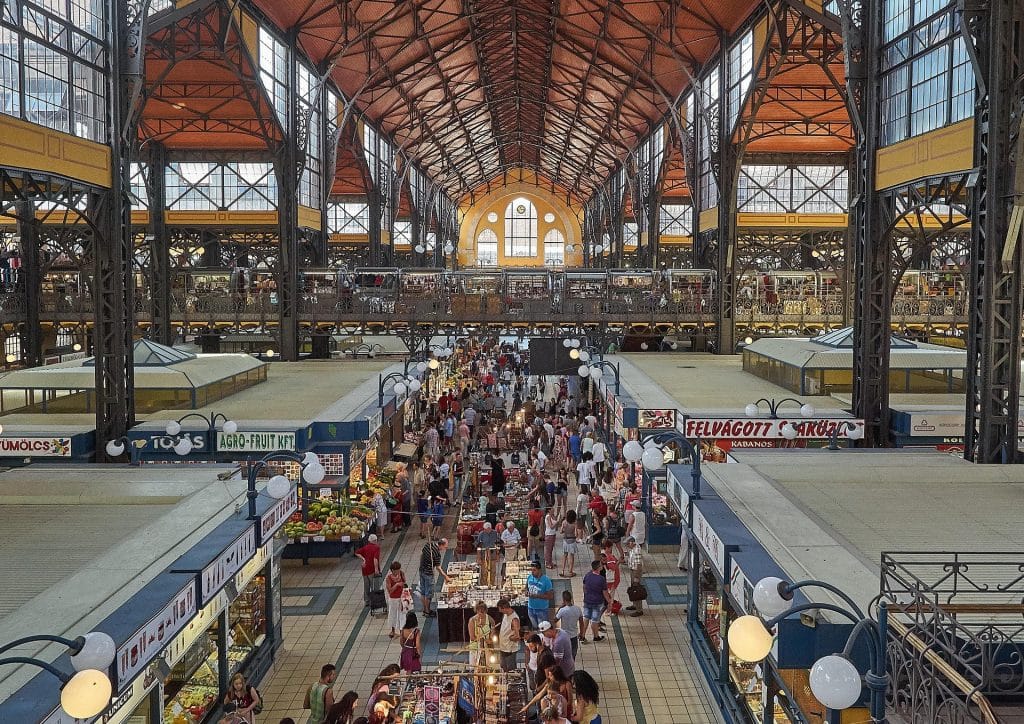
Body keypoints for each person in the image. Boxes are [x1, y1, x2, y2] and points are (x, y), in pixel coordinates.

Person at [418, 537, 449, 617]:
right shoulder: (437, 554)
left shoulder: (429, 545)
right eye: (445, 547)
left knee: (423, 592)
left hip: (421, 571)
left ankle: (425, 610)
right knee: (429, 594)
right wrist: (446, 577)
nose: (444, 549)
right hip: (428, 574)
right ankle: (428, 612)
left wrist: (422, 565)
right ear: (441, 545)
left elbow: (421, 554)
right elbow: (438, 568)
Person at [581, 560, 610, 643]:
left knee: (586, 618)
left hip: (587, 601)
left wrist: (587, 595)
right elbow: (605, 593)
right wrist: (609, 602)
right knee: (595, 620)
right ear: (598, 568)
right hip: (597, 602)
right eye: (601, 565)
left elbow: (584, 587)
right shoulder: (601, 579)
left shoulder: (587, 575)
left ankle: (582, 636)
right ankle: (596, 637)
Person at [555, 590, 583, 659]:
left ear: (563, 600)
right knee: (573, 653)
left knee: (564, 653)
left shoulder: (562, 610)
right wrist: (581, 633)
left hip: (564, 635)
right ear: (571, 599)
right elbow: (581, 623)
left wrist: (560, 608)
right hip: (574, 635)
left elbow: (555, 620)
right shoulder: (578, 609)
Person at [355, 534, 382, 607]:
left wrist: (363, 559)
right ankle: (375, 601)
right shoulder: (376, 548)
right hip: (372, 569)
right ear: (375, 540)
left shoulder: (365, 547)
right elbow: (375, 559)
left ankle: (367, 601)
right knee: (375, 586)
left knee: (366, 586)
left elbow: (357, 552)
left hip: (364, 569)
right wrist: (376, 569)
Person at [526, 560, 554, 629]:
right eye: (531, 570)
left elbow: (550, 596)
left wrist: (537, 596)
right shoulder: (529, 577)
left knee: (543, 629)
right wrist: (526, 592)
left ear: (539, 570)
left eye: (534, 570)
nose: (532, 572)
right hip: (531, 608)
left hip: (541, 610)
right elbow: (526, 587)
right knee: (535, 627)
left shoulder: (546, 580)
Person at [467, 600, 495, 667]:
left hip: (486, 646)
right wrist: (482, 640)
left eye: (482, 612)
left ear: (485, 611)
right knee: (474, 666)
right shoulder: (472, 620)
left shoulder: (490, 619)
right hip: (475, 647)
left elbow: (493, 631)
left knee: (488, 665)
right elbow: (472, 637)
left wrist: (490, 639)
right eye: (478, 612)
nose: (480, 614)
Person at [496, 598, 521, 672]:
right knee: (503, 666)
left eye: (500, 609)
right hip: (503, 647)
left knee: (510, 669)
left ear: (504, 608)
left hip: (509, 649)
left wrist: (510, 638)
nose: (499, 611)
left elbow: (517, 636)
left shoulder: (514, 619)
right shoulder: (505, 615)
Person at [384, 561, 405, 638]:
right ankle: (393, 630)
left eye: (399, 569)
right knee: (393, 614)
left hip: (401, 597)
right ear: (392, 570)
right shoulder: (388, 578)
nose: (398, 571)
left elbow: (404, 582)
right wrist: (396, 585)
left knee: (401, 614)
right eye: (397, 570)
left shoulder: (401, 573)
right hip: (393, 598)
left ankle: (401, 630)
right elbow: (390, 591)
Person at [625, 537, 645, 617]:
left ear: (632, 542)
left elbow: (638, 565)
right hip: (632, 570)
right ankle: (635, 605)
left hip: (635, 572)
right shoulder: (634, 548)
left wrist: (636, 577)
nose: (627, 546)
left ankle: (639, 610)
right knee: (633, 589)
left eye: (628, 544)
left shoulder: (637, 551)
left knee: (637, 590)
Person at [559, 510, 578, 578]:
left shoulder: (564, 522)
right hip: (572, 540)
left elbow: (561, 531)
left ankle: (562, 570)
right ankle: (570, 571)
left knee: (565, 555)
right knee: (571, 556)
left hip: (565, 540)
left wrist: (565, 530)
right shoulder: (574, 523)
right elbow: (576, 534)